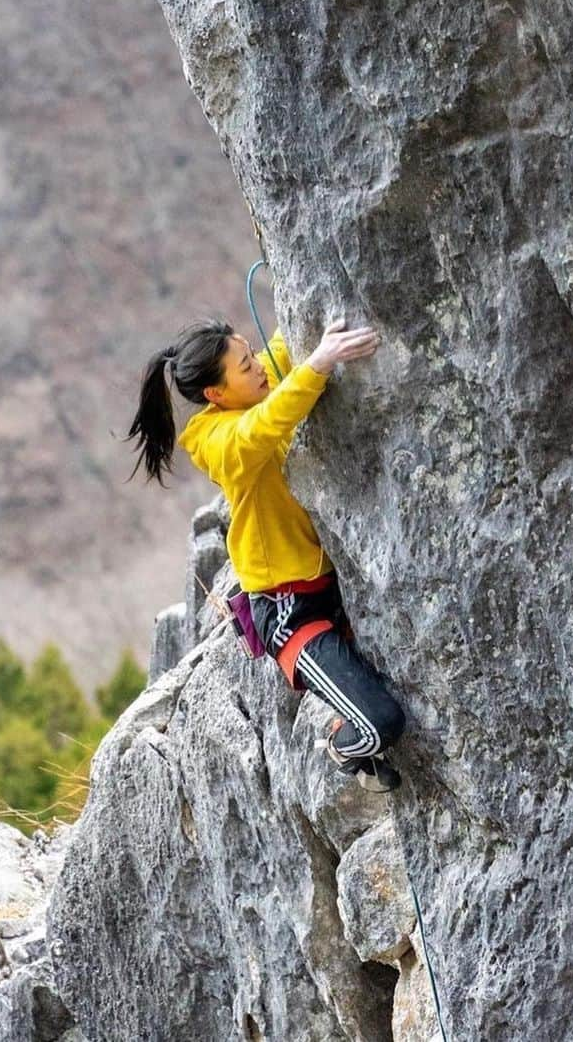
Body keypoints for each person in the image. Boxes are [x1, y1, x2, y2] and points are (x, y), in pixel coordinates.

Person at [125, 313, 406, 791]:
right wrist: (318, 364)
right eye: (243, 365)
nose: (256, 367)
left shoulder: (258, 385)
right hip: (290, 614)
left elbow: (282, 349)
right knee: (380, 724)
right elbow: (260, 429)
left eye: (249, 354)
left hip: (332, 587)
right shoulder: (216, 441)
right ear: (216, 394)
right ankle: (341, 747)